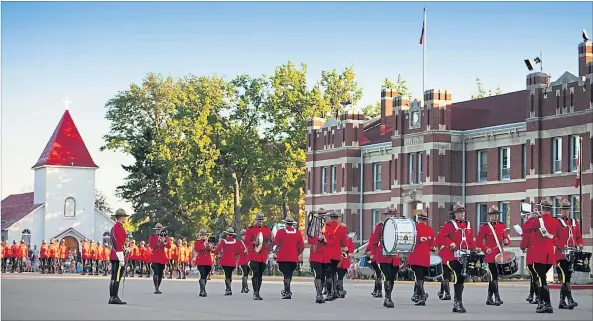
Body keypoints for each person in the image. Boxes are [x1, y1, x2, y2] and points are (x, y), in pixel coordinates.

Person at [435, 202, 478, 313]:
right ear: (455, 213)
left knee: (462, 278)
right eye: (459, 212)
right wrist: (450, 243)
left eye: (463, 211)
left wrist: (475, 248)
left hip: (464, 256)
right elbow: (440, 237)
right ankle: (458, 302)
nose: (462, 213)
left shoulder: (468, 225)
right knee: (458, 275)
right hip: (452, 256)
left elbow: (469, 241)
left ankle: (457, 302)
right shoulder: (449, 225)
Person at [523, 197, 561, 313]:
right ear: (550, 209)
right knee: (542, 279)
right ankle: (542, 303)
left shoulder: (538, 221)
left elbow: (525, 229)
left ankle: (547, 304)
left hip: (539, 256)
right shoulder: (555, 221)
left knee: (542, 280)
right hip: (550, 256)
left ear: (541, 207)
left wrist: (531, 217)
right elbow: (557, 238)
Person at [476, 205, 510, 306]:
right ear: (489, 216)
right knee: (494, 275)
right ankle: (497, 297)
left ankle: (489, 298)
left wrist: (506, 241)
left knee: (494, 276)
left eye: (496, 214)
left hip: (500, 255)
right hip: (490, 256)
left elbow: (506, 238)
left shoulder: (501, 226)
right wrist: (485, 249)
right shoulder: (484, 228)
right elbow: (478, 242)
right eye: (492, 214)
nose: (494, 216)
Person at [367, 205, 401, 308]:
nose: (391, 215)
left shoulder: (398, 226)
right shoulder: (380, 226)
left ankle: (388, 296)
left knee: (392, 278)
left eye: (393, 214)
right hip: (383, 257)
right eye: (389, 214)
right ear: (385, 215)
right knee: (387, 276)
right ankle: (388, 298)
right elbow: (374, 242)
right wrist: (372, 253)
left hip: (395, 257)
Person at [555, 199, 583, 310]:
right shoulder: (557, 222)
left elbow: (578, 237)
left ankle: (562, 301)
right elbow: (553, 238)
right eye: (564, 209)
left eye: (567, 209)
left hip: (571, 255)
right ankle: (570, 300)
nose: (565, 211)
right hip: (560, 255)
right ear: (560, 210)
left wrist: (580, 244)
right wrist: (562, 245)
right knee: (565, 277)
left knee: (566, 278)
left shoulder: (574, 222)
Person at [273, 216, 304, 299]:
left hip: (283, 257)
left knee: (286, 274)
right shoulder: (297, 233)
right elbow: (301, 246)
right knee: (289, 274)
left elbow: (276, 243)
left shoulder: (281, 232)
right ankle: (287, 290)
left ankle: (287, 291)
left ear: (285, 223)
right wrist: (297, 253)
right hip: (293, 258)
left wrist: (275, 252)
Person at [244, 212, 273, 301]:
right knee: (255, 272)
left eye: (261, 219)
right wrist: (253, 243)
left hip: (263, 256)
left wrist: (270, 243)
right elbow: (246, 241)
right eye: (259, 219)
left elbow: (271, 241)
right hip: (253, 255)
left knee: (260, 275)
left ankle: (258, 292)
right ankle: (255, 293)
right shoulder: (250, 230)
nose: (260, 221)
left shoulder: (266, 230)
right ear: (256, 220)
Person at [408, 210, 434, 306]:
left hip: (415, 257)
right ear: (426, 220)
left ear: (418, 219)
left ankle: (421, 296)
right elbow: (432, 246)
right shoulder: (430, 230)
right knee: (421, 278)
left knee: (418, 278)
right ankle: (417, 294)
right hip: (425, 257)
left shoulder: (413, 229)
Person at [108, 209, 129, 305]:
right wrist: (121, 257)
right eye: (124, 217)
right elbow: (117, 243)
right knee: (116, 277)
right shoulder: (119, 228)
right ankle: (114, 297)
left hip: (114, 254)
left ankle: (112, 297)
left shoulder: (114, 227)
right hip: (118, 255)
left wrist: (126, 248)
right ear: (121, 217)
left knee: (114, 276)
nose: (125, 218)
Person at [215, 227, 241, 295]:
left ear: (227, 234)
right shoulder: (236, 242)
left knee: (227, 275)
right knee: (230, 275)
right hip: (232, 261)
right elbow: (238, 252)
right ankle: (229, 288)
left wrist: (213, 251)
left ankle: (228, 289)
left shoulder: (223, 241)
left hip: (225, 260)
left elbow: (217, 250)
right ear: (232, 235)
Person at [520, 214, 538, 305]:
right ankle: (532, 295)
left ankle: (537, 296)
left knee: (534, 277)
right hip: (541, 255)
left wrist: (523, 247)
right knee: (535, 277)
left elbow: (523, 244)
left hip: (531, 256)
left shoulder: (528, 230)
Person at [149, 223, 171, 295]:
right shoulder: (152, 237)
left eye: (160, 229)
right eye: (157, 230)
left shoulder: (165, 237)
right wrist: (158, 241)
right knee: (156, 271)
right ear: (155, 230)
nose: (159, 231)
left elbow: (169, 246)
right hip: (155, 256)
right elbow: (151, 246)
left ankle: (158, 285)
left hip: (162, 257)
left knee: (161, 272)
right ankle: (156, 288)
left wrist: (164, 241)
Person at [193, 230, 214, 297]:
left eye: (204, 235)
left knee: (205, 276)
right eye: (202, 235)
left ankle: (202, 287)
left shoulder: (209, 242)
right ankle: (203, 290)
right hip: (200, 261)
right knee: (202, 274)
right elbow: (197, 249)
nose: (203, 236)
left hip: (208, 261)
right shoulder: (197, 242)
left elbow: (212, 250)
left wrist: (210, 247)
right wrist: (203, 244)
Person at [336, 226, 354, 299]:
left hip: (345, 260)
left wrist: (347, 250)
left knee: (342, 274)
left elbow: (351, 249)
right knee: (339, 275)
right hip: (338, 259)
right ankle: (340, 290)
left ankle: (337, 288)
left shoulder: (348, 240)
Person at [238, 229, 250, 294]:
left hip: (248, 260)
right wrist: (243, 251)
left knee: (246, 273)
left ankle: (243, 287)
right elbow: (237, 251)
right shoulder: (240, 243)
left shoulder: (248, 243)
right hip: (242, 260)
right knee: (245, 273)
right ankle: (246, 287)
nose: (244, 236)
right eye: (243, 235)